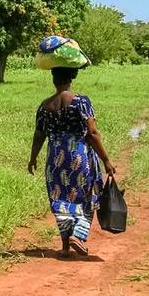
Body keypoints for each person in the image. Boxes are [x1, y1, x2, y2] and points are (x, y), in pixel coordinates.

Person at [28, 66, 116, 256]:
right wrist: (106, 160)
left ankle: (65, 247)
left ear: (54, 80)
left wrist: (33, 158)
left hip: (55, 158)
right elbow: (92, 133)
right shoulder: (81, 102)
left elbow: (38, 135)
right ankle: (78, 235)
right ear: (71, 79)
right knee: (87, 195)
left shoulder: (44, 106)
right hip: (79, 154)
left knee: (60, 199)